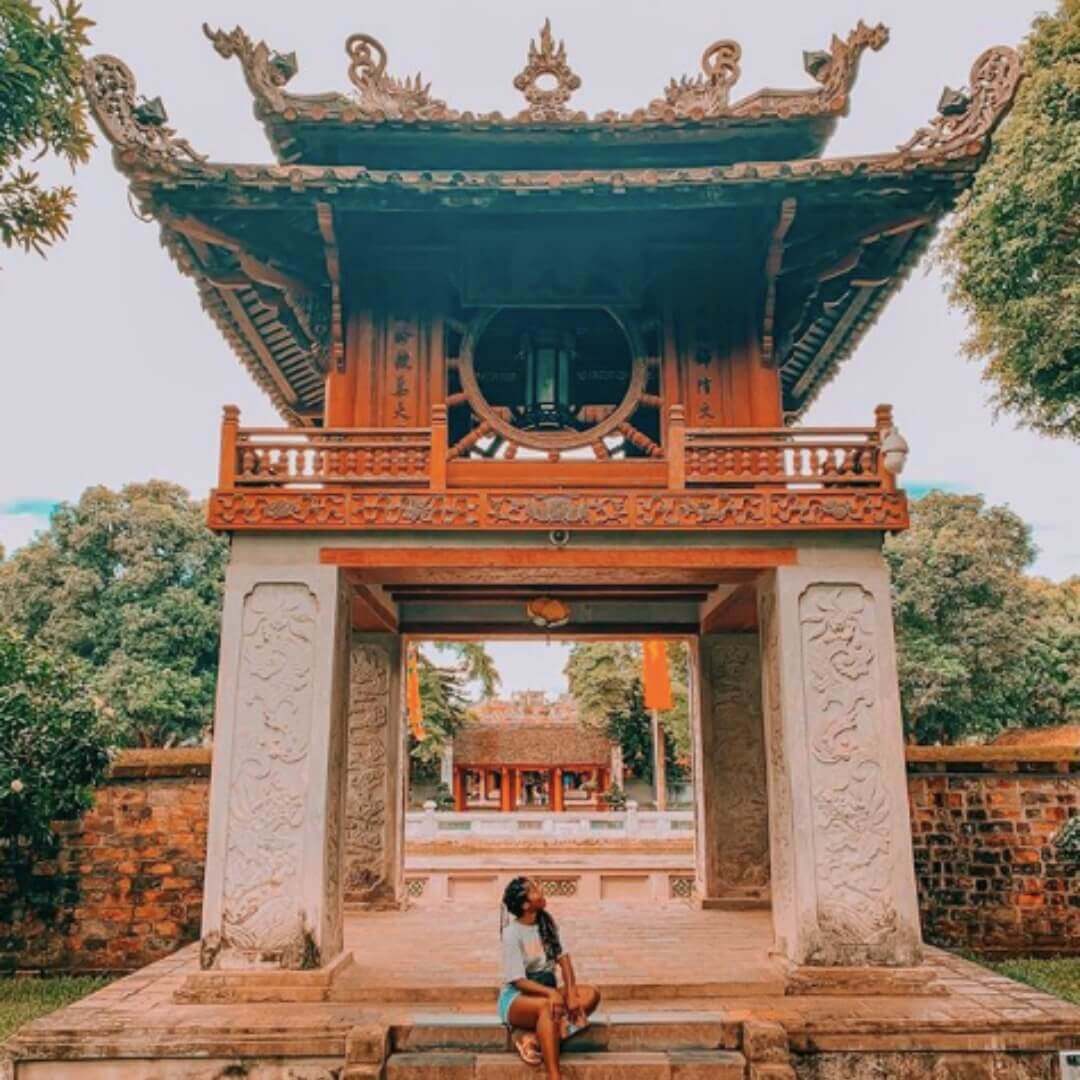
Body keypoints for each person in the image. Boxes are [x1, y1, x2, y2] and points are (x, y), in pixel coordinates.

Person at [498, 876, 601, 1076]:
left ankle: (532, 1039)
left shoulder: (547, 923)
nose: (541, 891)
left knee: (591, 994)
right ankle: (554, 1074)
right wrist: (551, 994)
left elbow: (565, 962)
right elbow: (518, 980)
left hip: (546, 991)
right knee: (549, 1007)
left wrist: (570, 993)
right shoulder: (512, 933)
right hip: (517, 997)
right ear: (526, 904)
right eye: (534, 890)